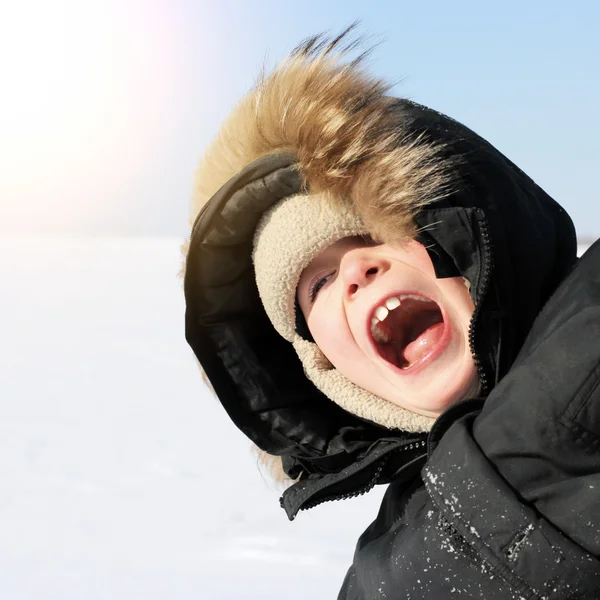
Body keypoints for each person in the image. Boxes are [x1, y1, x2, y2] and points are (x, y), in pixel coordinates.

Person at [183, 30, 600, 598]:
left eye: (370, 232)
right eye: (319, 284)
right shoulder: (385, 572)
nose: (354, 271)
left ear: (456, 224)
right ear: (326, 369)